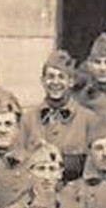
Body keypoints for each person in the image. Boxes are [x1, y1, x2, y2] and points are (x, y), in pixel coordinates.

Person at [26, 50, 96, 181]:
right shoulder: (28, 119)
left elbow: (92, 168)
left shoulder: (88, 119)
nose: (55, 82)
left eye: (61, 77)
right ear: (43, 81)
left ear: (71, 82)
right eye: (51, 77)